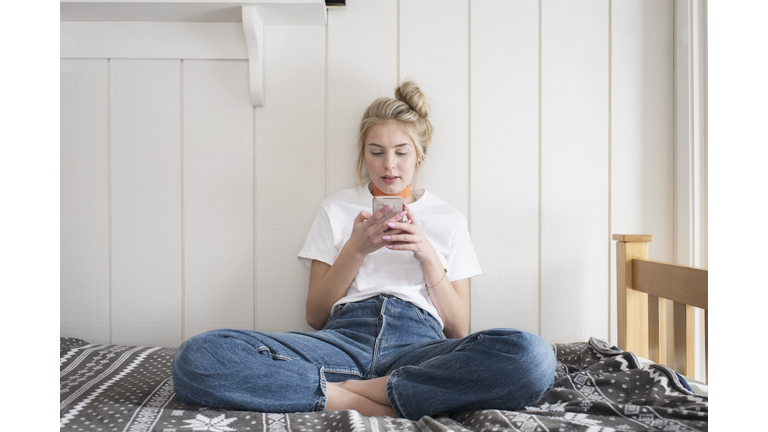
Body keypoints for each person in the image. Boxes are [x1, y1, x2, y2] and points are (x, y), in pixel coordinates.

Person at [172, 80, 555, 420]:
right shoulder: (335, 209)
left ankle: (350, 391)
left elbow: (457, 328)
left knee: (532, 357)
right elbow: (315, 315)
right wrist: (355, 250)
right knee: (199, 356)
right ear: (363, 153)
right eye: (376, 152)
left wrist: (426, 254)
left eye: (401, 152)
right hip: (341, 342)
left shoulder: (448, 219)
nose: (389, 166)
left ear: (419, 154)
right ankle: (376, 398)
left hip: (419, 347)